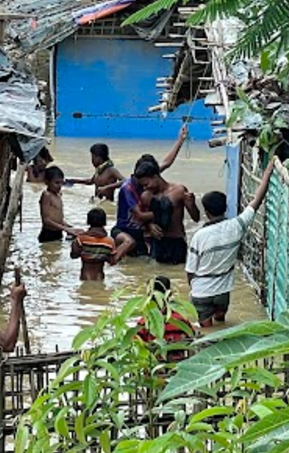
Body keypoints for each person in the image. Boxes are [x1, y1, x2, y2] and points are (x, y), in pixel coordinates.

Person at [186, 159, 275, 327]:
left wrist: (196, 288)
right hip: (222, 292)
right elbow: (256, 201)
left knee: (207, 334)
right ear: (225, 208)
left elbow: (190, 271)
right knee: (222, 326)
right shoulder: (237, 226)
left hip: (201, 292)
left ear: (206, 212)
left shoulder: (199, 236)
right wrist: (268, 172)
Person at [112, 125, 190, 255]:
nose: (146, 187)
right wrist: (169, 210)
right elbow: (140, 215)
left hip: (145, 229)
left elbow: (167, 162)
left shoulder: (149, 176)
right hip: (128, 229)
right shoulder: (129, 188)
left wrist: (180, 140)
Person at [133, 161, 200, 265]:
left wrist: (192, 204)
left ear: (155, 177)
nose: (145, 188)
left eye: (146, 184)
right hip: (157, 242)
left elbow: (196, 218)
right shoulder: (146, 196)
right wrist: (149, 225)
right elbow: (138, 220)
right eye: (142, 186)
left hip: (176, 242)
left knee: (177, 275)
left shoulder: (179, 191)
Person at [137, 276, 196, 351]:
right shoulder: (181, 319)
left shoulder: (144, 323)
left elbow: (137, 345)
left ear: (149, 295)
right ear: (170, 293)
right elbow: (191, 337)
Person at [39, 165, 78, 243]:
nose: (59, 186)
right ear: (47, 182)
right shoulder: (47, 195)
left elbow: (57, 217)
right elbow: (46, 220)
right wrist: (65, 229)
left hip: (58, 232)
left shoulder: (58, 195)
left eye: (61, 183)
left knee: (56, 253)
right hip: (48, 234)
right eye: (56, 183)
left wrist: (69, 227)